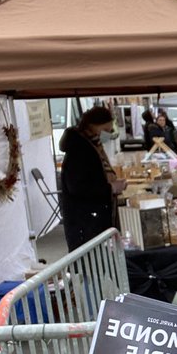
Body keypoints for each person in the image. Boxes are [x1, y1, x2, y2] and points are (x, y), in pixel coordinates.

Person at [58, 105, 126, 251]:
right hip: (85, 220)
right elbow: (78, 187)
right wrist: (111, 188)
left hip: (91, 217)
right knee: (90, 260)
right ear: (93, 126)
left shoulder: (92, 145)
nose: (108, 134)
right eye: (106, 130)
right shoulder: (80, 149)